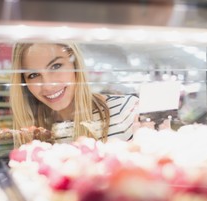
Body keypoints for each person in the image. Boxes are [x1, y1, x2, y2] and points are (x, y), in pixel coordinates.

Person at [10, 42, 139, 147]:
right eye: (33, 75)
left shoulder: (127, 111)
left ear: (75, 64)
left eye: (56, 66)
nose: (48, 85)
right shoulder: (30, 132)